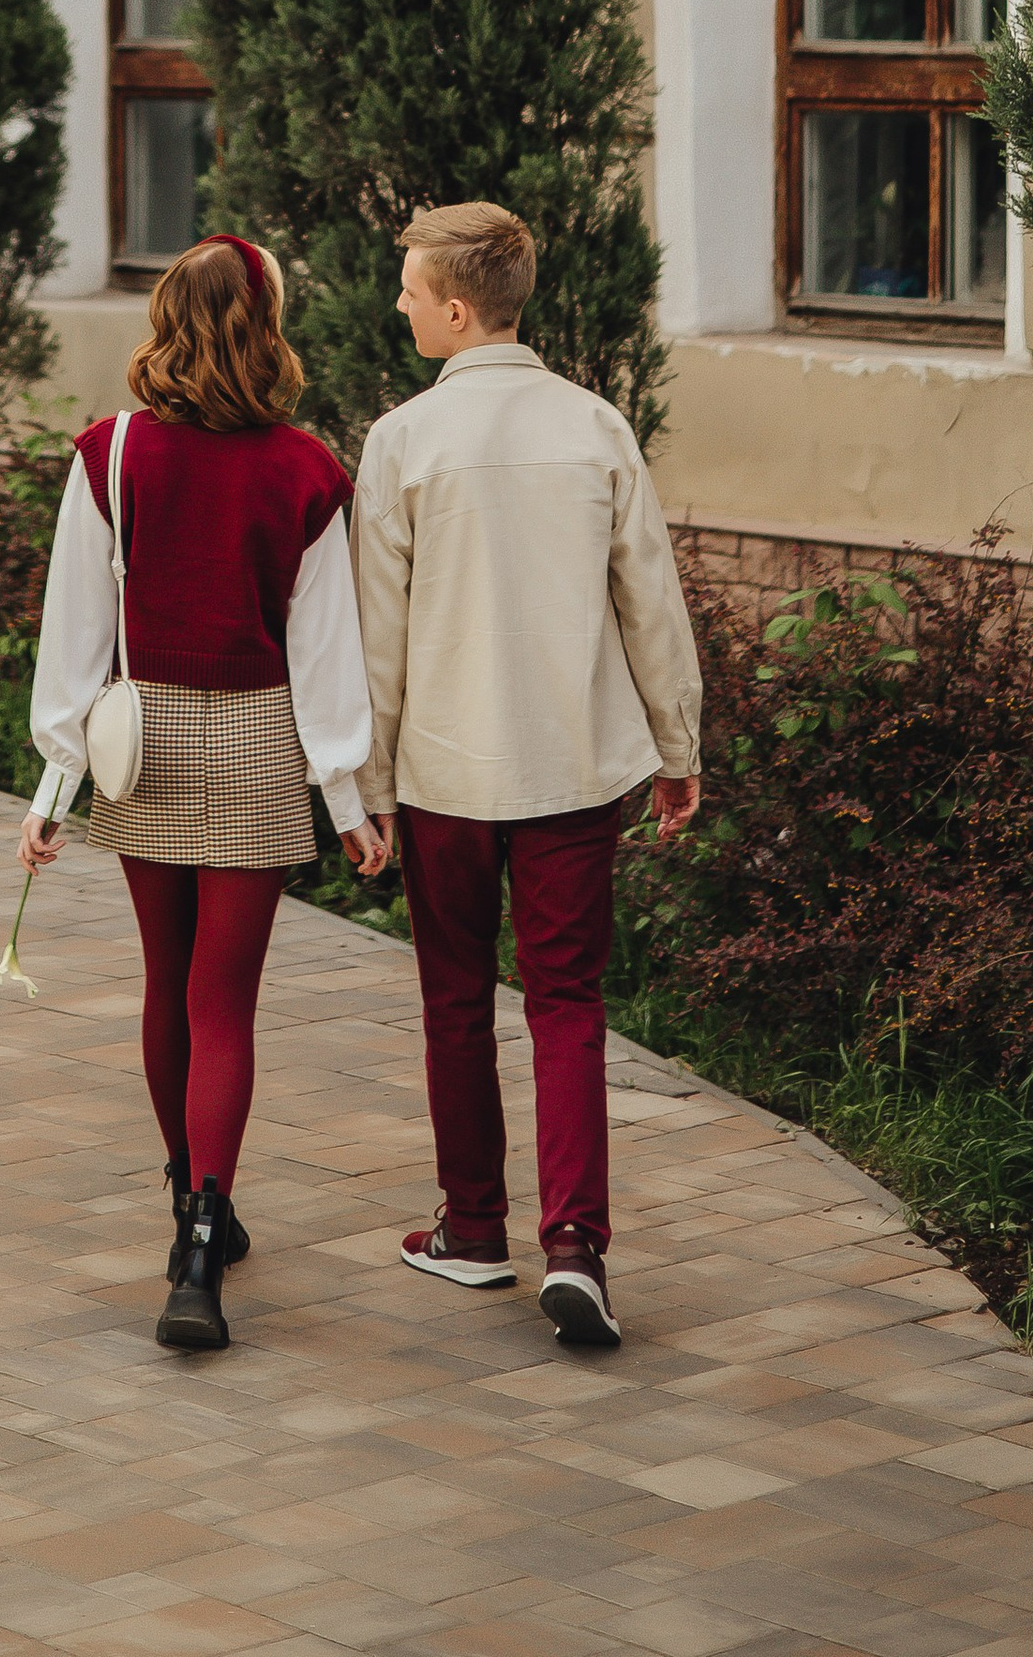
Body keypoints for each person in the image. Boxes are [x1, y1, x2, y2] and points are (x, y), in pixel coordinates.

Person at [23, 233, 385, 1354]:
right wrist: (349, 798)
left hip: (143, 743)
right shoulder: (306, 469)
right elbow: (328, 656)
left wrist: (53, 784)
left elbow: (72, 640)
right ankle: (202, 1233)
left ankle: (185, 1193)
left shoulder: (112, 453)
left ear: (167, 320)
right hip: (259, 744)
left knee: (163, 982)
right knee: (222, 1001)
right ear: (264, 327)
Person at [352, 201, 702, 1350]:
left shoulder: (401, 442)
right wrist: (676, 744)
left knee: (455, 1001)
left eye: (408, 291)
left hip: (446, 773)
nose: (397, 305)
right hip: (571, 769)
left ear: (456, 310)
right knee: (567, 1005)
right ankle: (576, 1250)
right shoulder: (596, 427)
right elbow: (650, 599)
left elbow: (379, 638)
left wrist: (368, 786)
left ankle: (469, 1230)